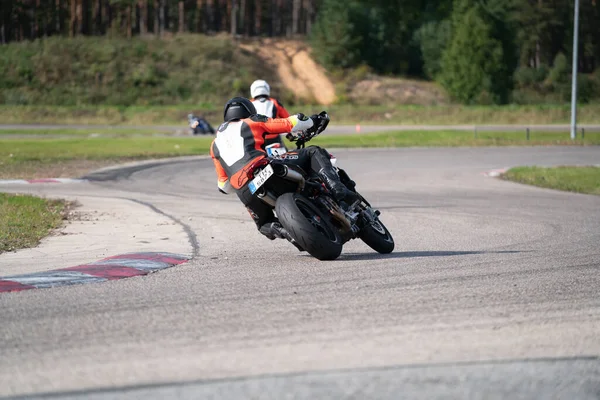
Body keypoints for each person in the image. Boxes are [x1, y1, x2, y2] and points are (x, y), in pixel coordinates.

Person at [210, 97, 358, 241]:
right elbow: (290, 122)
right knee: (313, 151)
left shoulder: (214, 144)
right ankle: (336, 188)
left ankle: (286, 233)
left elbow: (224, 186)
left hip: (244, 189)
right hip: (263, 166)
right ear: (248, 111)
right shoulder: (251, 121)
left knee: (263, 224)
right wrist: (313, 120)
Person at [250, 79, 290, 149]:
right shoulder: (275, 102)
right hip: (274, 138)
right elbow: (288, 119)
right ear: (267, 89)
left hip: (257, 139)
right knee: (286, 158)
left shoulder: (249, 104)